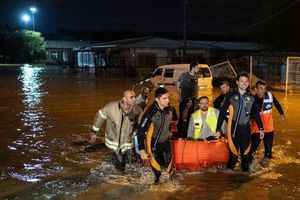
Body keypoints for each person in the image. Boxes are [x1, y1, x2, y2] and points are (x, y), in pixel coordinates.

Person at [216, 72, 264, 173]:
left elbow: (256, 114)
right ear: (237, 82)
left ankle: (244, 180)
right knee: (233, 158)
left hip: (246, 130)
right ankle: (228, 180)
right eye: (241, 81)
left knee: (245, 159)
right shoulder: (231, 95)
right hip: (233, 130)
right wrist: (218, 129)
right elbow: (222, 112)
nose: (244, 83)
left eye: (246, 81)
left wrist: (261, 128)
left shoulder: (251, 97)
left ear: (248, 83)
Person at [89, 90, 143, 172]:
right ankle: (118, 178)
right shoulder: (111, 107)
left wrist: (138, 132)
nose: (134, 99)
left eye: (135, 97)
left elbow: (141, 123)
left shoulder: (137, 110)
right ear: (124, 99)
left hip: (127, 142)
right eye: (131, 97)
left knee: (130, 163)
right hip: (113, 141)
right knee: (120, 166)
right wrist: (94, 132)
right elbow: (100, 116)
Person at [137, 87, 174, 184]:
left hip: (166, 143)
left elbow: (172, 123)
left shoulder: (169, 108)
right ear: (157, 99)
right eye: (164, 98)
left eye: (168, 98)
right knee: (157, 175)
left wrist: (170, 132)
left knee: (169, 171)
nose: (168, 100)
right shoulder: (150, 113)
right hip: (154, 146)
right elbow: (140, 131)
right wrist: (141, 150)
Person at [250, 80, 285, 166]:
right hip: (257, 129)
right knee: (252, 150)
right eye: (260, 88)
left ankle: (265, 167)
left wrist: (281, 114)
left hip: (269, 128)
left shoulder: (270, 95)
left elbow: (277, 103)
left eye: (264, 89)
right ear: (256, 89)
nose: (263, 91)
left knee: (268, 153)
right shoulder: (252, 99)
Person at [177, 61, 199, 137]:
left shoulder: (196, 76)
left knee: (190, 116)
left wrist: (196, 97)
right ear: (193, 67)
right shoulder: (184, 75)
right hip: (184, 99)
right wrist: (179, 96)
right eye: (197, 67)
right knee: (182, 116)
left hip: (192, 99)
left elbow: (196, 88)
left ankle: (187, 133)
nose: (198, 69)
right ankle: (179, 133)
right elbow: (178, 84)